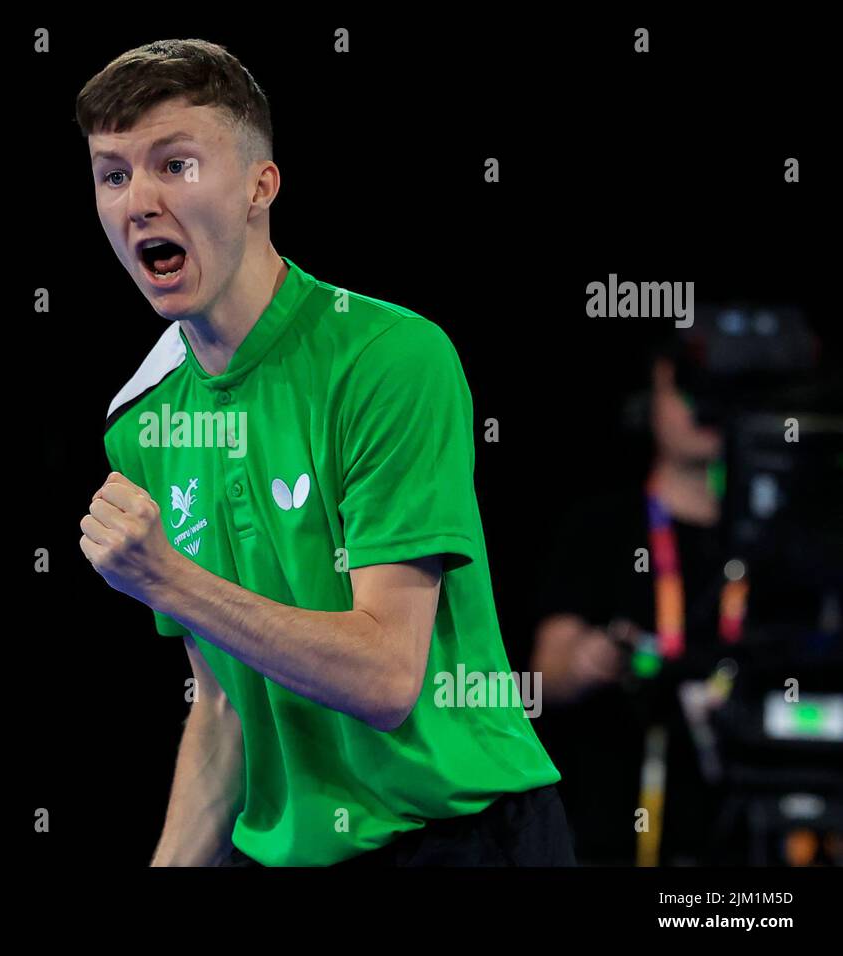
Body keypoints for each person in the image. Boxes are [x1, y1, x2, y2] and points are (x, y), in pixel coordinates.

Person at [74, 39, 573, 867]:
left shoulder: (387, 357)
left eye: (177, 164)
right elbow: (225, 710)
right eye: (114, 174)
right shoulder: (144, 423)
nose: (141, 201)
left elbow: (383, 676)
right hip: (290, 852)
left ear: (259, 188)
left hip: (459, 838)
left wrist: (166, 577)